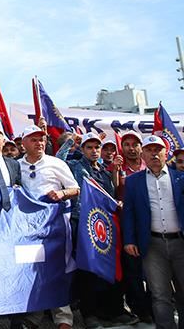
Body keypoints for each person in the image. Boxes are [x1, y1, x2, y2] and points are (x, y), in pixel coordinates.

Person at [68, 133, 137, 327]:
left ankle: (113, 311)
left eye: (97, 147)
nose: (94, 151)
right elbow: (58, 159)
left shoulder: (106, 173)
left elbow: (111, 196)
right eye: (89, 147)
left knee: (109, 267)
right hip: (82, 224)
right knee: (87, 270)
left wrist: (118, 201)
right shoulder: (74, 166)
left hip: (103, 227)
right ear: (82, 149)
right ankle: (90, 314)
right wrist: (70, 142)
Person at [17, 125, 77, 329]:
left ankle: (63, 317)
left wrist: (61, 194)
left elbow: (75, 188)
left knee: (57, 267)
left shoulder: (56, 163)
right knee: (31, 269)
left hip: (55, 224)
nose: (39, 143)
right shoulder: (16, 165)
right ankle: (34, 315)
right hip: (27, 227)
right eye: (33, 140)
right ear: (23, 143)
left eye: (42, 139)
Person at [122, 135, 184, 329]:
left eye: (158, 150)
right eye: (149, 150)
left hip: (181, 243)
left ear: (166, 153)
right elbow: (129, 212)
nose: (154, 154)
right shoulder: (133, 181)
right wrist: (129, 240)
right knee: (159, 294)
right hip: (152, 245)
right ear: (143, 154)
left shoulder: (180, 178)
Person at [117, 130, 153, 322]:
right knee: (133, 270)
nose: (131, 149)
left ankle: (156, 306)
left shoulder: (151, 167)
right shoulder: (117, 168)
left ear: (141, 147)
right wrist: (114, 173)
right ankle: (140, 309)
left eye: (135, 144)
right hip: (129, 226)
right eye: (127, 145)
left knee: (154, 269)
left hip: (152, 225)